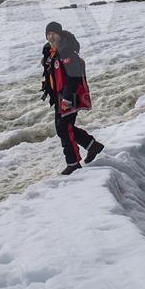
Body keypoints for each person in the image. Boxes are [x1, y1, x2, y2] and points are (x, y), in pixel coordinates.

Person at [41, 21, 104, 175]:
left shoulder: (67, 51)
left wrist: (67, 99)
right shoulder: (50, 51)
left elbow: (73, 77)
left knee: (64, 128)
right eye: (48, 33)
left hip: (69, 96)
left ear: (60, 34)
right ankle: (92, 145)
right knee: (63, 128)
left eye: (53, 33)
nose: (50, 36)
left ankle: (73, 163)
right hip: (59, 97)